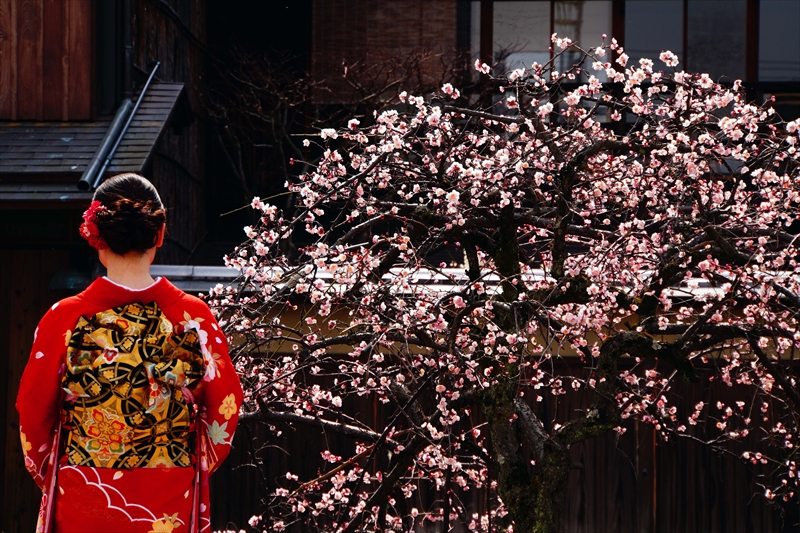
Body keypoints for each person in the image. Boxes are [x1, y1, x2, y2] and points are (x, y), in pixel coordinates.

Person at [16, 173, 243, 533]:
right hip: (170, 494)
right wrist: (183, 462)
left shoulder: (65, 318)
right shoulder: (193, 318)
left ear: (95, 236)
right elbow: (224, 409)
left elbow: (33, 411)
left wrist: (59, 472)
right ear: (160, 234)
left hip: (85, 492)